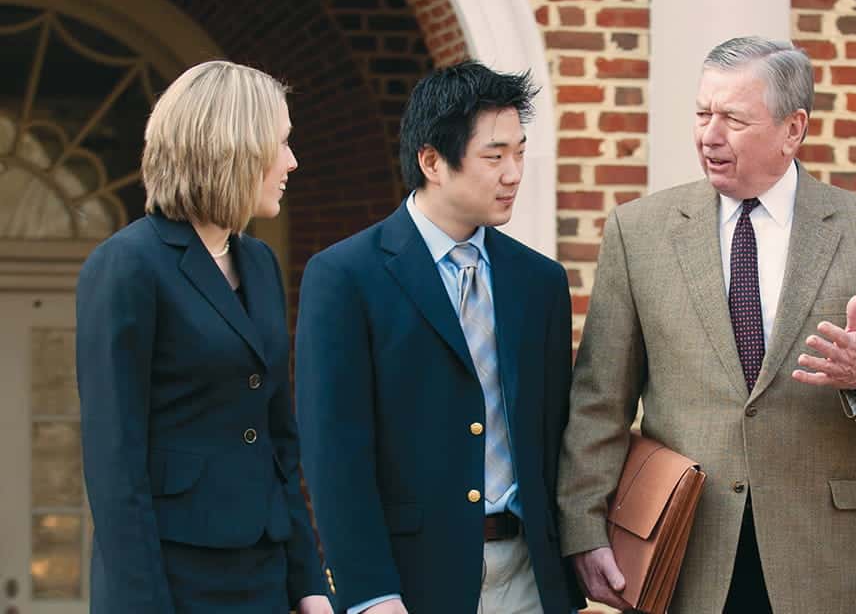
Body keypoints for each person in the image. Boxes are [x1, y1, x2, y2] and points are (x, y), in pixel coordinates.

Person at [557, 36, 856, 613]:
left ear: (793, 130)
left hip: (819, 557)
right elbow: (599, 397)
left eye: (733, 119)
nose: (709, 135)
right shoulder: (637, 232)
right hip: (682, 550)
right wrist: (584, 524)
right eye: (701, 114)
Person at [294, 62, 580, 614]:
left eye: (520, 153)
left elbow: (555, 436)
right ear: (432, 161)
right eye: (494, 157)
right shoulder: (345, 276)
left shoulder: (540, 282)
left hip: (531, 579)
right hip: (410, 583)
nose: (514, 173)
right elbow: (335, 454)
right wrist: (371, 593)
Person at [76, 61, 331, 614]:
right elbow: (115, 463)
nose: (292, 161)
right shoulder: (126, 266)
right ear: (234, 148)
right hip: (172, 576)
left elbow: (276, 440)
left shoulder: (259, 263)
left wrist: (309, 582)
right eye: (281, 143)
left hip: (263, 571)